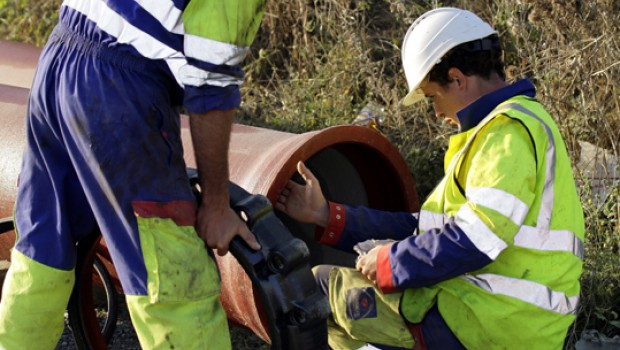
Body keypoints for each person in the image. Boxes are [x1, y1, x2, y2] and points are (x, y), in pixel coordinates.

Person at [276, 7, 584, 350]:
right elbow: (426, 229)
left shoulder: (505, 136)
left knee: (320, 286)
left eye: (434, 97)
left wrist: (391, 262)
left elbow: (472, 239)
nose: (437, 113)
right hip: (501, 318)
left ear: (457, 78)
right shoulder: (513, 128)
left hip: (491, 325)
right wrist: (327, 216)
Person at [0, 1, 265, 349]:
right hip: (119, 92)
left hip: (59, 60)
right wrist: (216, 206)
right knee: (170, 277)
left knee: (44, 242)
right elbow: (211, 87)